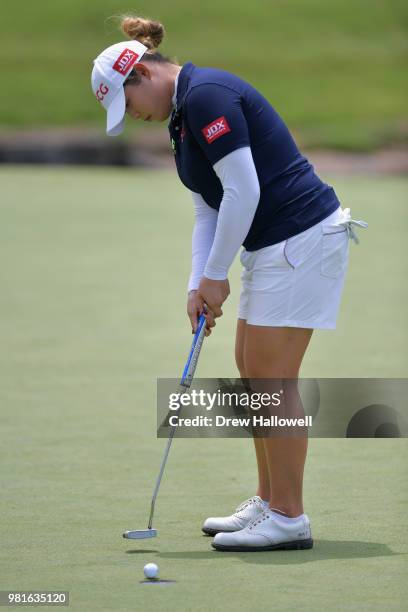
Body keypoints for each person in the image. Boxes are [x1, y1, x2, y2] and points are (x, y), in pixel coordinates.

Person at [91, 15, 367, 552]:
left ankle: (289, 516)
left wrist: (218, 276)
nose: (136, 118)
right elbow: (207, 205)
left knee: (272, 378)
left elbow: (244, 190)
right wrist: (198, 282)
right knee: (251, 367)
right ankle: (269, 501)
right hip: (277, 243)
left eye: (130, 105)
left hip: (302, 237)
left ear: (141, 72)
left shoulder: (207, 97)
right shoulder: (181, 118)